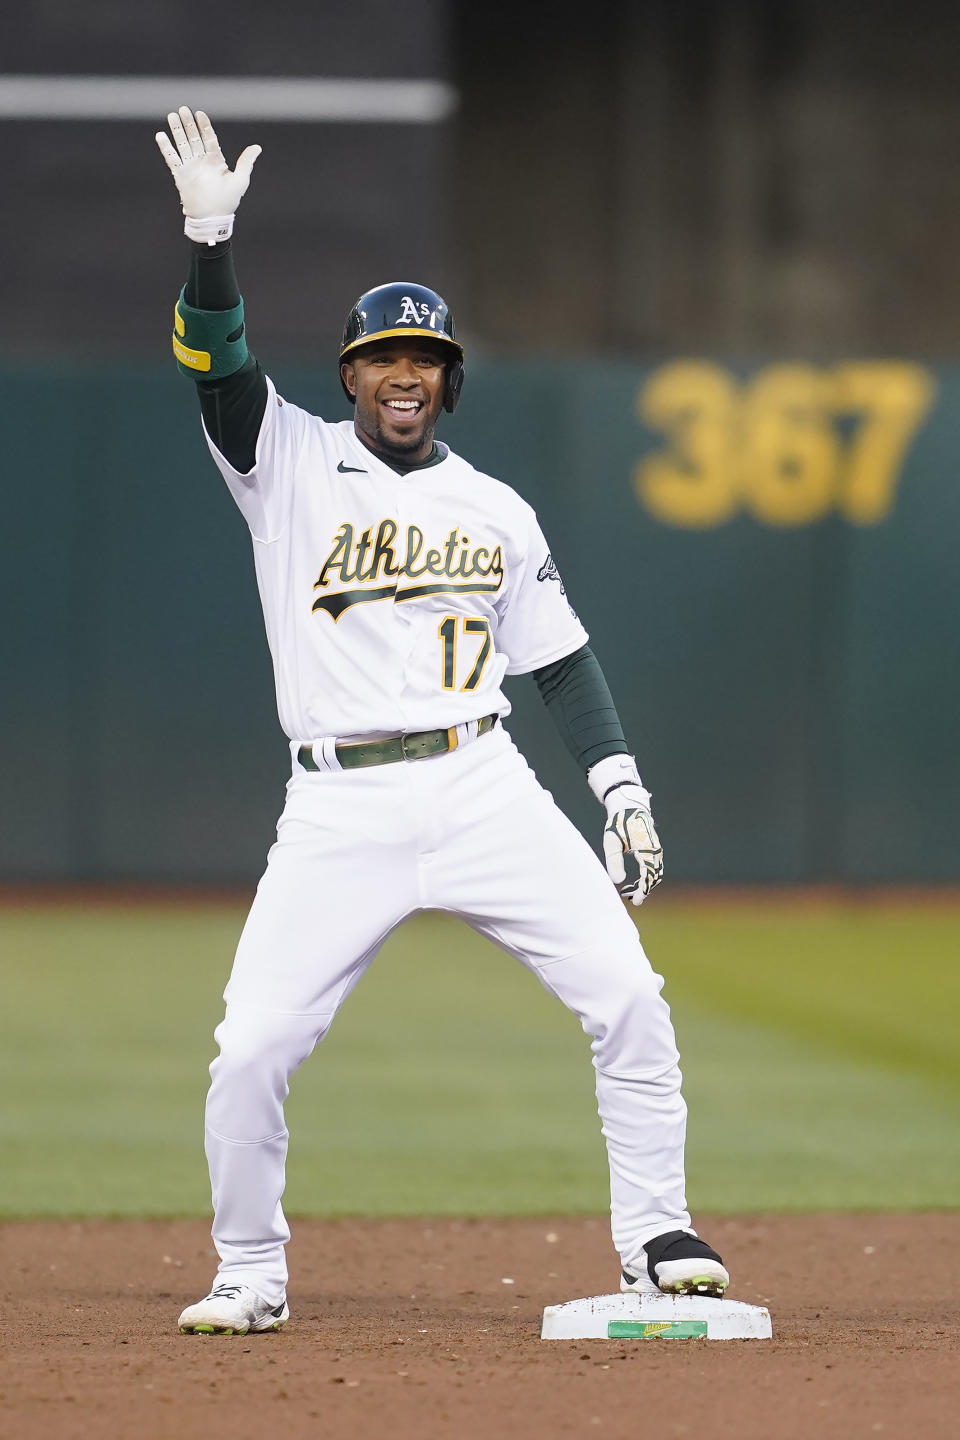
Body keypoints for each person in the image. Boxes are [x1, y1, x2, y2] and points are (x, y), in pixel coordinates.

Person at [155, 106, 729, 1337]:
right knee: (252, 1048)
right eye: (381, 358)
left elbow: (563, 667)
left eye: (423, 356)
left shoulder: (500, 510)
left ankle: (658, 1233)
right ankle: (250, 1269)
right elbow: (216, 367)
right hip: (339, 800)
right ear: (351, 375)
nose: (403, 372)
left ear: (446, 376)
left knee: (628, 998)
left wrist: (619, 787)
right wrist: (211, 246)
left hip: (483, 784)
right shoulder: (287, 462)